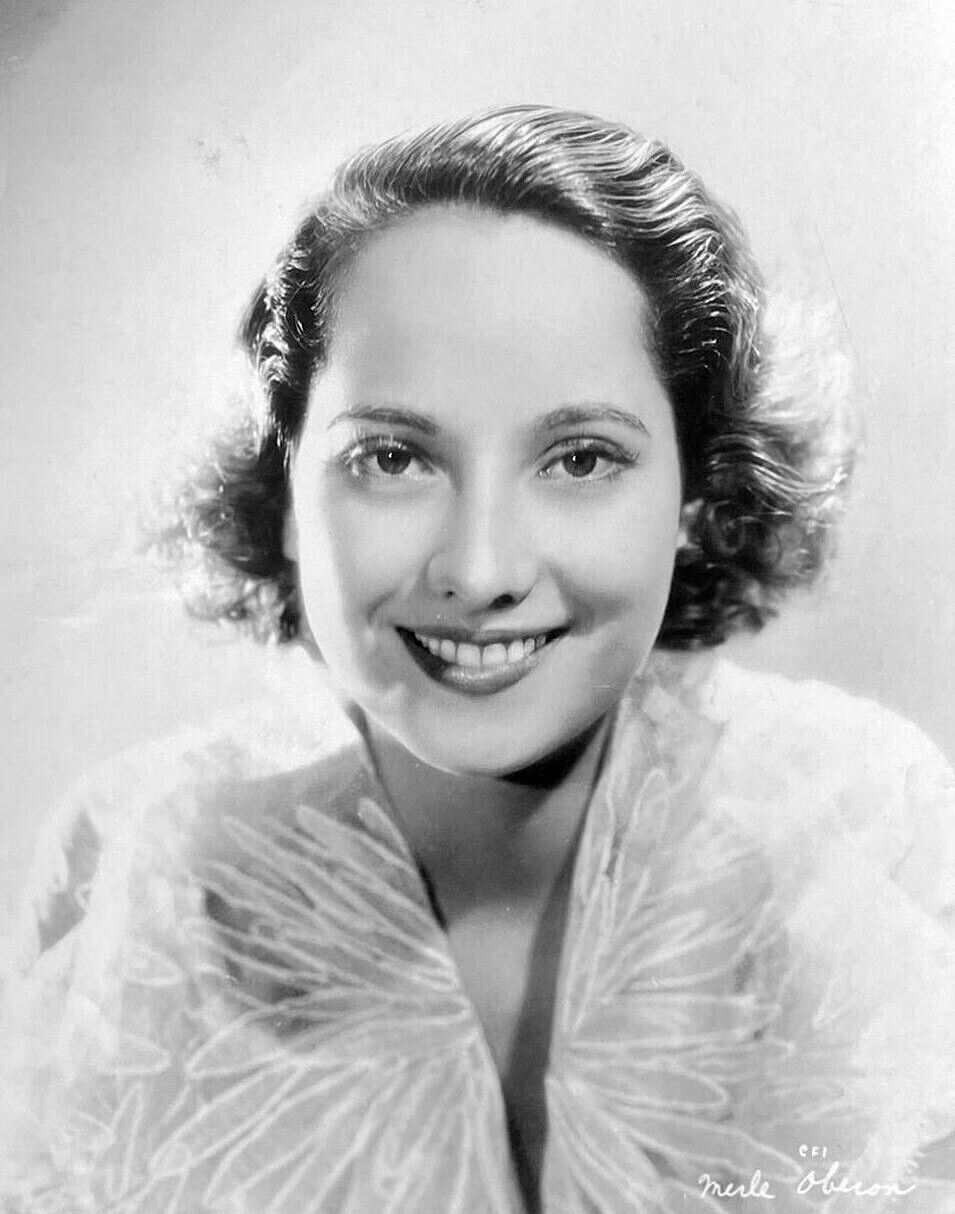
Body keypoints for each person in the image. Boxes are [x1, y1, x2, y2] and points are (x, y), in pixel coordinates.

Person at [2, 105, 954, 1213]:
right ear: (286, 491)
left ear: (696, 496)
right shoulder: (135, 857)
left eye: (580, 458)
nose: (480, 568)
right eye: (392, 457)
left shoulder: (869, 825)